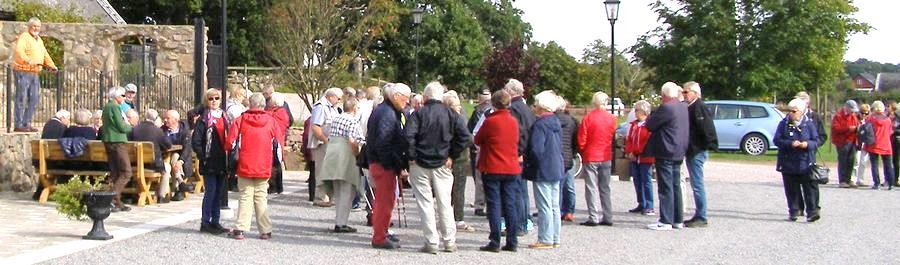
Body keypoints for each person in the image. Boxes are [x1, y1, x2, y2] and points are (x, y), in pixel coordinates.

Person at [406, 81, 471, 254]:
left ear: (425, 97)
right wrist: (452, 155)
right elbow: (465, 137)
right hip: (443, 162)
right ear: (441, 97)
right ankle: (449, 241)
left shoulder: (418, 114)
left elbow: (409, 136)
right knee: (445, 203)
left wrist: (411, 156)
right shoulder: (451, 114)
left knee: (425, 203)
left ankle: (431, 241)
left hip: (420, 162)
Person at [225, 93, 281, 240]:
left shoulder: (241, 119)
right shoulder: (271, 121)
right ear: (264, 105)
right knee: (261, 197)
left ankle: (240, 229)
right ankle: (265, 230)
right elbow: (278, 145)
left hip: (245, 163)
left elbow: (230, 142)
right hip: (264, 164)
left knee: (245, 197)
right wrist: (277, 164)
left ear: (250, 104)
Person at [367, 82, 412, 250]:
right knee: (384, 202)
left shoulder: (386, 110)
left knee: (386, 201)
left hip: (381, 162)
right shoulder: (387, 113)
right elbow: (383, 142)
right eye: (405, 98)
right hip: (383, 164)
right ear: (395, 96)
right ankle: (379, 237)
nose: (407, 102)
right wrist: (392, 165)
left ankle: (383, 233)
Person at [474, 90, 520, 252]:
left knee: (494, 205)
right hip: (511, 167)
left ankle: (495, 240)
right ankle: (512, 240)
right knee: (510, 204)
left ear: (493, 103)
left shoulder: (490, 121)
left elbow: (477, 139)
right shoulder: (513, 121)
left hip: (492, 166)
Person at [645, 82, 690, 231]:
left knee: (665, 186)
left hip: (666, 150)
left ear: (664, 95)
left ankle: (666, 220)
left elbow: (650, 124)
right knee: (676, 185)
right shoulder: (683, 107)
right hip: (679, 150)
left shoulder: (666, 108)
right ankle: (678, 219)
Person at [524, 90, 564, 250]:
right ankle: (555, 237)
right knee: (554, 205)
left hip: (543, 168)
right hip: (556, 165)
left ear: (541, 107)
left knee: (545, 205)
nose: (533, 108)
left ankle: (545, 238)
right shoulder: (555, 121)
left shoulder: (540, 124)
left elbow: (536, 149)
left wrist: (529, 163)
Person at [320, 98, 365, 233]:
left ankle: (338, 221)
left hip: (332, 156)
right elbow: (356, 141)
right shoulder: (353, 121)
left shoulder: (336, 119)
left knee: (338, 191)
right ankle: (341, 223)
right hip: (346, 157)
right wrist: (359, 155)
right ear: (355, 108)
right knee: (347, 191)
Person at [774, 98, 821, 222]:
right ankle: (794, 211)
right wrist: (790, 143)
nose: (791, 113)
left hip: (806, 162)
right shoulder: (783, 124)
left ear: (801, 112)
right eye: (790, 111)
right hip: (788, 162)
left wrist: (807, 144)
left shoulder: (809, 124)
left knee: (809, 189)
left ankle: (812, 212)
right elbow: (777, 140)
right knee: (791, 189)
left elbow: (816, 141)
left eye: (794, 111)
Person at [192, 88, 230, 235]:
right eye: (211, 98)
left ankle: (216, 221)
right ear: (206, 101)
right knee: (210, 192)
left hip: (222, 159)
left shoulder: (224, 117)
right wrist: (204, 156)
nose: (214, 101)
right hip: (209, 160)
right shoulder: (203, 119)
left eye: (217, 98)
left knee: (219, 192)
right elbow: (196, 141)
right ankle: (205, 222)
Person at [681, 81, 718, 228]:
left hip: (697, 151)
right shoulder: (689, 107)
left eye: (686, 92)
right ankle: (698, 214)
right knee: (695, 183)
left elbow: (707, 129)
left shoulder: (699, 107)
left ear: (695, 93)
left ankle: (702, 216)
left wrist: (708, 145)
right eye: (683, 92)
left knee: (697, 184)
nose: (684, 95)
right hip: (691, 150)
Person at [577, 91, 616, 227]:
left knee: (591, 187)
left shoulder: (588, 118)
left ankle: (593, 216)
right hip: (605, 155)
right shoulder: (611, 118)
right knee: (605, 187)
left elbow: (582, 138)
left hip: (591, 155)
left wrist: (582, 150)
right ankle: (608, 215)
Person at [13, 17, 58, 132]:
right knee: (21, 98)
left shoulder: (39, 40)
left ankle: (26, 122)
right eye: (34, 26)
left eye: (38, 26)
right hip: (23, 71)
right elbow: (19, 51)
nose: (36, 28)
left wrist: (51, 65)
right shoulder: (24, 37)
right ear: (29, 27)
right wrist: (27, 60)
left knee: (34, 98)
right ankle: (18, 124)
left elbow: (45, 54)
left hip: (35, 72)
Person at [505, 78, 536, 234]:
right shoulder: (526, 108)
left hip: (517, 156)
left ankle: (518, 225)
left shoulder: (514, 109)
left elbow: (520, 133)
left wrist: (518, 152)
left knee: (516, 191)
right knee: (522, 192)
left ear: (511, 92)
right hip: (525, 154)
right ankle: (523, 222)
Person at [443, 91, 474, 232]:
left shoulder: (455, 117)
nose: (459, 108)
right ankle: (457, 219)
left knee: (454, 189)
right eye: (456, 105)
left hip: (455, 158)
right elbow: (467, 139)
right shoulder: (458, 118)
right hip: (457, 157)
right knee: (454, 189)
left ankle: (452, 217)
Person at [100, 86, 135, 212]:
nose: (124, 98)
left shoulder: (106, 107)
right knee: (126, 172)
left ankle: (117, 201)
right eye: (123, 96)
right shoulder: (115, 107)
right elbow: (121, 126)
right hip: (117, 140)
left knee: (115, 172)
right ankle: (112, 198)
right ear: (117, 96)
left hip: (108, 140)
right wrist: (130, 126)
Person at [128, 109, 173, 203]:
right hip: (154, 165)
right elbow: (168, 145)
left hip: (136, 163)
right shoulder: (157, 131)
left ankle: (135, 193)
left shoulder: (135, 129)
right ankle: (162, 195)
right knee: (167, 167)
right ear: (156, 119)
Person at [309, 87, 344, 207]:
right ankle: (321, 197)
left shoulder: (333, 108)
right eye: (338, 98)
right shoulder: (320, 107)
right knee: (322, 170)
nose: (339, 101)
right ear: (330, 96)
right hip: (323, 143)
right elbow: (315, 127)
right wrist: (325, 140)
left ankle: (329, 197)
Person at [625, 100, 655, 216]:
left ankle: (649, 204)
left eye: (637, 110)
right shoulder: (634, 125)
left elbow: (647, 141)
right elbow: (629, 140)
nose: (635, 112)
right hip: (634, 157)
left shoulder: (648, 125)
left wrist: (639, 151)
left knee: (646, 181)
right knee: (637, 181)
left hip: (645, 157)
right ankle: (641, 202)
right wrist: (630, 151)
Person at [555, 98, 579, 222]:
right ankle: (569, 211)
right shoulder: (573, 121)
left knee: (558, 186)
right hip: (570, 156)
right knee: (569, 186)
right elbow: (577, 140)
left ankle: (559, 210)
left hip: (559, 156)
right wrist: (574, 152)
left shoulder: (553, 120)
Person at [468, 90, 492, 216]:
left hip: (483, 150)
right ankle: (482, 204)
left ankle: (482, 204)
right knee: (482, 179)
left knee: (481, 179)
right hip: (483, 150)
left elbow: (474, 132)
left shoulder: (480, 112)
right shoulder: (483, 113)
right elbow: (475, 132)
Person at [162, 109, 193, 201]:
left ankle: (178, 188)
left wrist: (181, 161)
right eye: (165, 118)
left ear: (175, 120)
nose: (165, 120)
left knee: (175, 156)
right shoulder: (162, 130)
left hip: (182, 159)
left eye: (168, 118)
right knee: (174, 157)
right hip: (165, 157)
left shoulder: (184, 131)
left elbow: (187, 149)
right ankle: (180, 184)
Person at [866, 101, 894, 190]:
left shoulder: (871, 119)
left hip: (874, 144)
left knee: (874, 164)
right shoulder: (888, 120)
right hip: (886, 144)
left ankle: (876, 183)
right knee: (888, 165)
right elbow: (890, 132)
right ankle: (890, 183)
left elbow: (867, 130)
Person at [266, 92, 290, 194]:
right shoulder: (282, 112)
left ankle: (274, 186)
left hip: (275, 139)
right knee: (276, 162)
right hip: (278, 138)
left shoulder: (278, 112)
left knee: (274, 163)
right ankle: (277, 186)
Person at [833, 100, 860, 188]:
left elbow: (857, 124)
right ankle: (842, 180)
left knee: (851, 160)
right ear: (846, 107)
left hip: (852, 141)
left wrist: (857, 128)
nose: (852, 112)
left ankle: (849, 180)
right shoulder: (838, 116)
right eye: (851, 109)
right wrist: (848, 128)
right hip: (841, 141)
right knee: (843, 160)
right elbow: (836, 128)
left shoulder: (853, 116)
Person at [853, 104, 872, 187]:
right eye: (862, 113)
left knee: (863, 162)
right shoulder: (855, 119)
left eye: (866, 113)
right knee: (856, 162)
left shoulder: (868, 121)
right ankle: (853, 179)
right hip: (857, 143)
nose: (864, 115)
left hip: (865, 143)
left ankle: (860, 179)